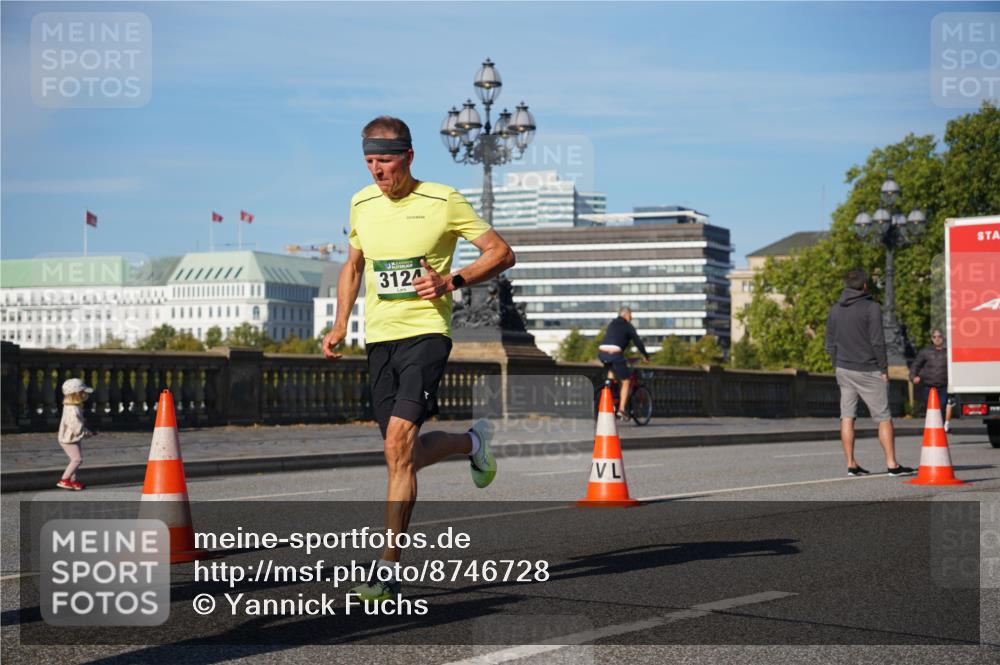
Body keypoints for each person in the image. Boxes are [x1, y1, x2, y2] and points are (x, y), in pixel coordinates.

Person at [322, 116, 516, 602]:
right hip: (380, 340)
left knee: (397, 442)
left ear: (408, 156)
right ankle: (471, 443)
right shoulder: (361, 202)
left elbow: (501, 252)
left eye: (384, 161)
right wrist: (341, 323)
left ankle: (386, 570)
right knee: (399, 453)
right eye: (369, 161)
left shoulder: (443, 200)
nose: (376, 172)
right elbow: (353, 266)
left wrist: (451, 282)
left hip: (427, 334)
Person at [825, 268, 913, 477]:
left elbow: (829, 343)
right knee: (883, 417)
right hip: (868, 369)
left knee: (847, 417)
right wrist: (884, 369)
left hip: (844, 369)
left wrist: (836, 364)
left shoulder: (835, 309)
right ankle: (892, 464)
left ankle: (851, 464)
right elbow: (877, 342)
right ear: (865, 285)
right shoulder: (871, 307)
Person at [597, 307, 650, 418]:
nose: (631, 318)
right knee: (626, 381)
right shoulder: (627, 326)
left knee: (611, 374)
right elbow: (638, 342)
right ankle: (621, 409)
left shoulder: (612, 323)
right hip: (615, 353)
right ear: (626, 315)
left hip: (602, 351)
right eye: (631, 315)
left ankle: (609, 389)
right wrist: (646, 356)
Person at [910, 328, 953, 432]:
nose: (937, 339)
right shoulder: (925, 352)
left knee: (942, 407)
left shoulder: (949, 351)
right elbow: (916, 365)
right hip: (929, 386)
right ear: (932, 338)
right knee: (930, 409)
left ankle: (940, 429)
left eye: (939, 336)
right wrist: (913, 376)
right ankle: (931, 429)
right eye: (934, 337)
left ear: (943, 338)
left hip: (943, 386)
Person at [57, 378, 96, 490]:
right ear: (76, 394)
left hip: (71, 438)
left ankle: (72, 481)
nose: (84, 395)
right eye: (82, 392)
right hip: (68, 439)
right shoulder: (72, 409)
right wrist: (88, 433)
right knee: (77, 460)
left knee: (74, 459)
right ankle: (64, 479)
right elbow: (76, 427)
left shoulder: (73, 407)